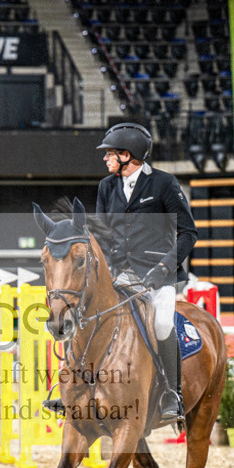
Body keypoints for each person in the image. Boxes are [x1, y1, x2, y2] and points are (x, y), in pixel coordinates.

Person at [94, 122, 197, 423]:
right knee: (89, 317)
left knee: (162, 324)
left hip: (158, 276)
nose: (105, 158)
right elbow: (101, 235)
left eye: (110, 153)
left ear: (127, 155)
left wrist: (164, 267)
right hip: (119, 275)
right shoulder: (106, 187)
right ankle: (78, 389)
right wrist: (106, 269)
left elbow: (188, 233)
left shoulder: (163, 184)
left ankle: (172, 393)